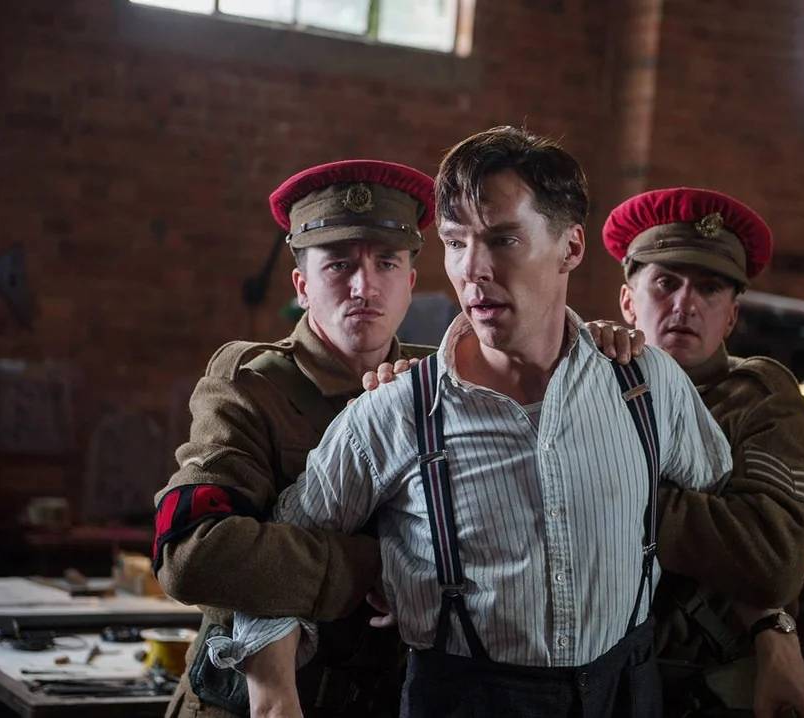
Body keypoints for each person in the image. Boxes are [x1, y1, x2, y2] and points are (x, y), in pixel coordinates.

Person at [211, 126, 735, 717]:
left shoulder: (647, 385)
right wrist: (274, 692)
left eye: (504, 239)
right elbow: (282, 550)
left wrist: (773, 632)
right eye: (456, 242)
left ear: (571, 248)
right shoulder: (395, 412)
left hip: (627, 692)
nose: (473, 269)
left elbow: (726, 511)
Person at [152, 159, 437, 717]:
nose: (364, 286)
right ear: (302, 287)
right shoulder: (251, 385)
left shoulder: (441, 385)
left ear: (410, 282)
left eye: (386, 263)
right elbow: (192, 553)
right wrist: (376, 566)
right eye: (338, 266)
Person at [602, 188, 804, 718]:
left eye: (709, 289)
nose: (685, 304)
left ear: (730, 317)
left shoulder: (759, 397)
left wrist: (611, 492)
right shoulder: (583, 387)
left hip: (696, 685)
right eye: (666, 282)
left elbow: (772, 560)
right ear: (627, 300)